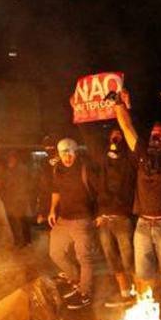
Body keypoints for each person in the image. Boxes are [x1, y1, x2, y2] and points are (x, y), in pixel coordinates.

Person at [112, 89, 161, 319]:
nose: (155, 137)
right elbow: (126, 127)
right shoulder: (142, 154)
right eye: (153, 134)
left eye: (160, 134)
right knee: (143, 272)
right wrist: (118, 103)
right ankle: (145, 310)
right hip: (143, 225)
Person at [48, 138, 98, 309]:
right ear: (59, 154)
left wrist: (99, 214)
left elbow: (99, 192)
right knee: (55, 252)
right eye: (63, 153)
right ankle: (76, 279)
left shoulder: (85, 169)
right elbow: (56, 190)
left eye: (70, 152)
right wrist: (52, 210)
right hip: (63, 218)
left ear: (76, 152)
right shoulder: (57, 169)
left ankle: (85, 293)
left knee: (84, 257)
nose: (67, 156)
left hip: (82, 219)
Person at [95, 128, 137, 307]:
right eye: (113, 135)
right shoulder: (104, 160)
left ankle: (140, 293)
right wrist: (98, 213)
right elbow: (99, 188)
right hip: (105, 218)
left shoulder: (129, 161)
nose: (116, 137)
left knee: (128, 258)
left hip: (122, 217)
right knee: (111, 257)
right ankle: (125, 293)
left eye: (119, 134)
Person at [2, 150, 33, 248]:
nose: (9, 160)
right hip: (12, 199)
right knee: (15, 220)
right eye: (9, 159)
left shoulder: (21, 169)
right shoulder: (9, 170)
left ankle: (25, 241)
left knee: (22, 220)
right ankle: (20, 241)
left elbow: (24, 184)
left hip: (20, 199)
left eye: (11, 158)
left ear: (15, 159)